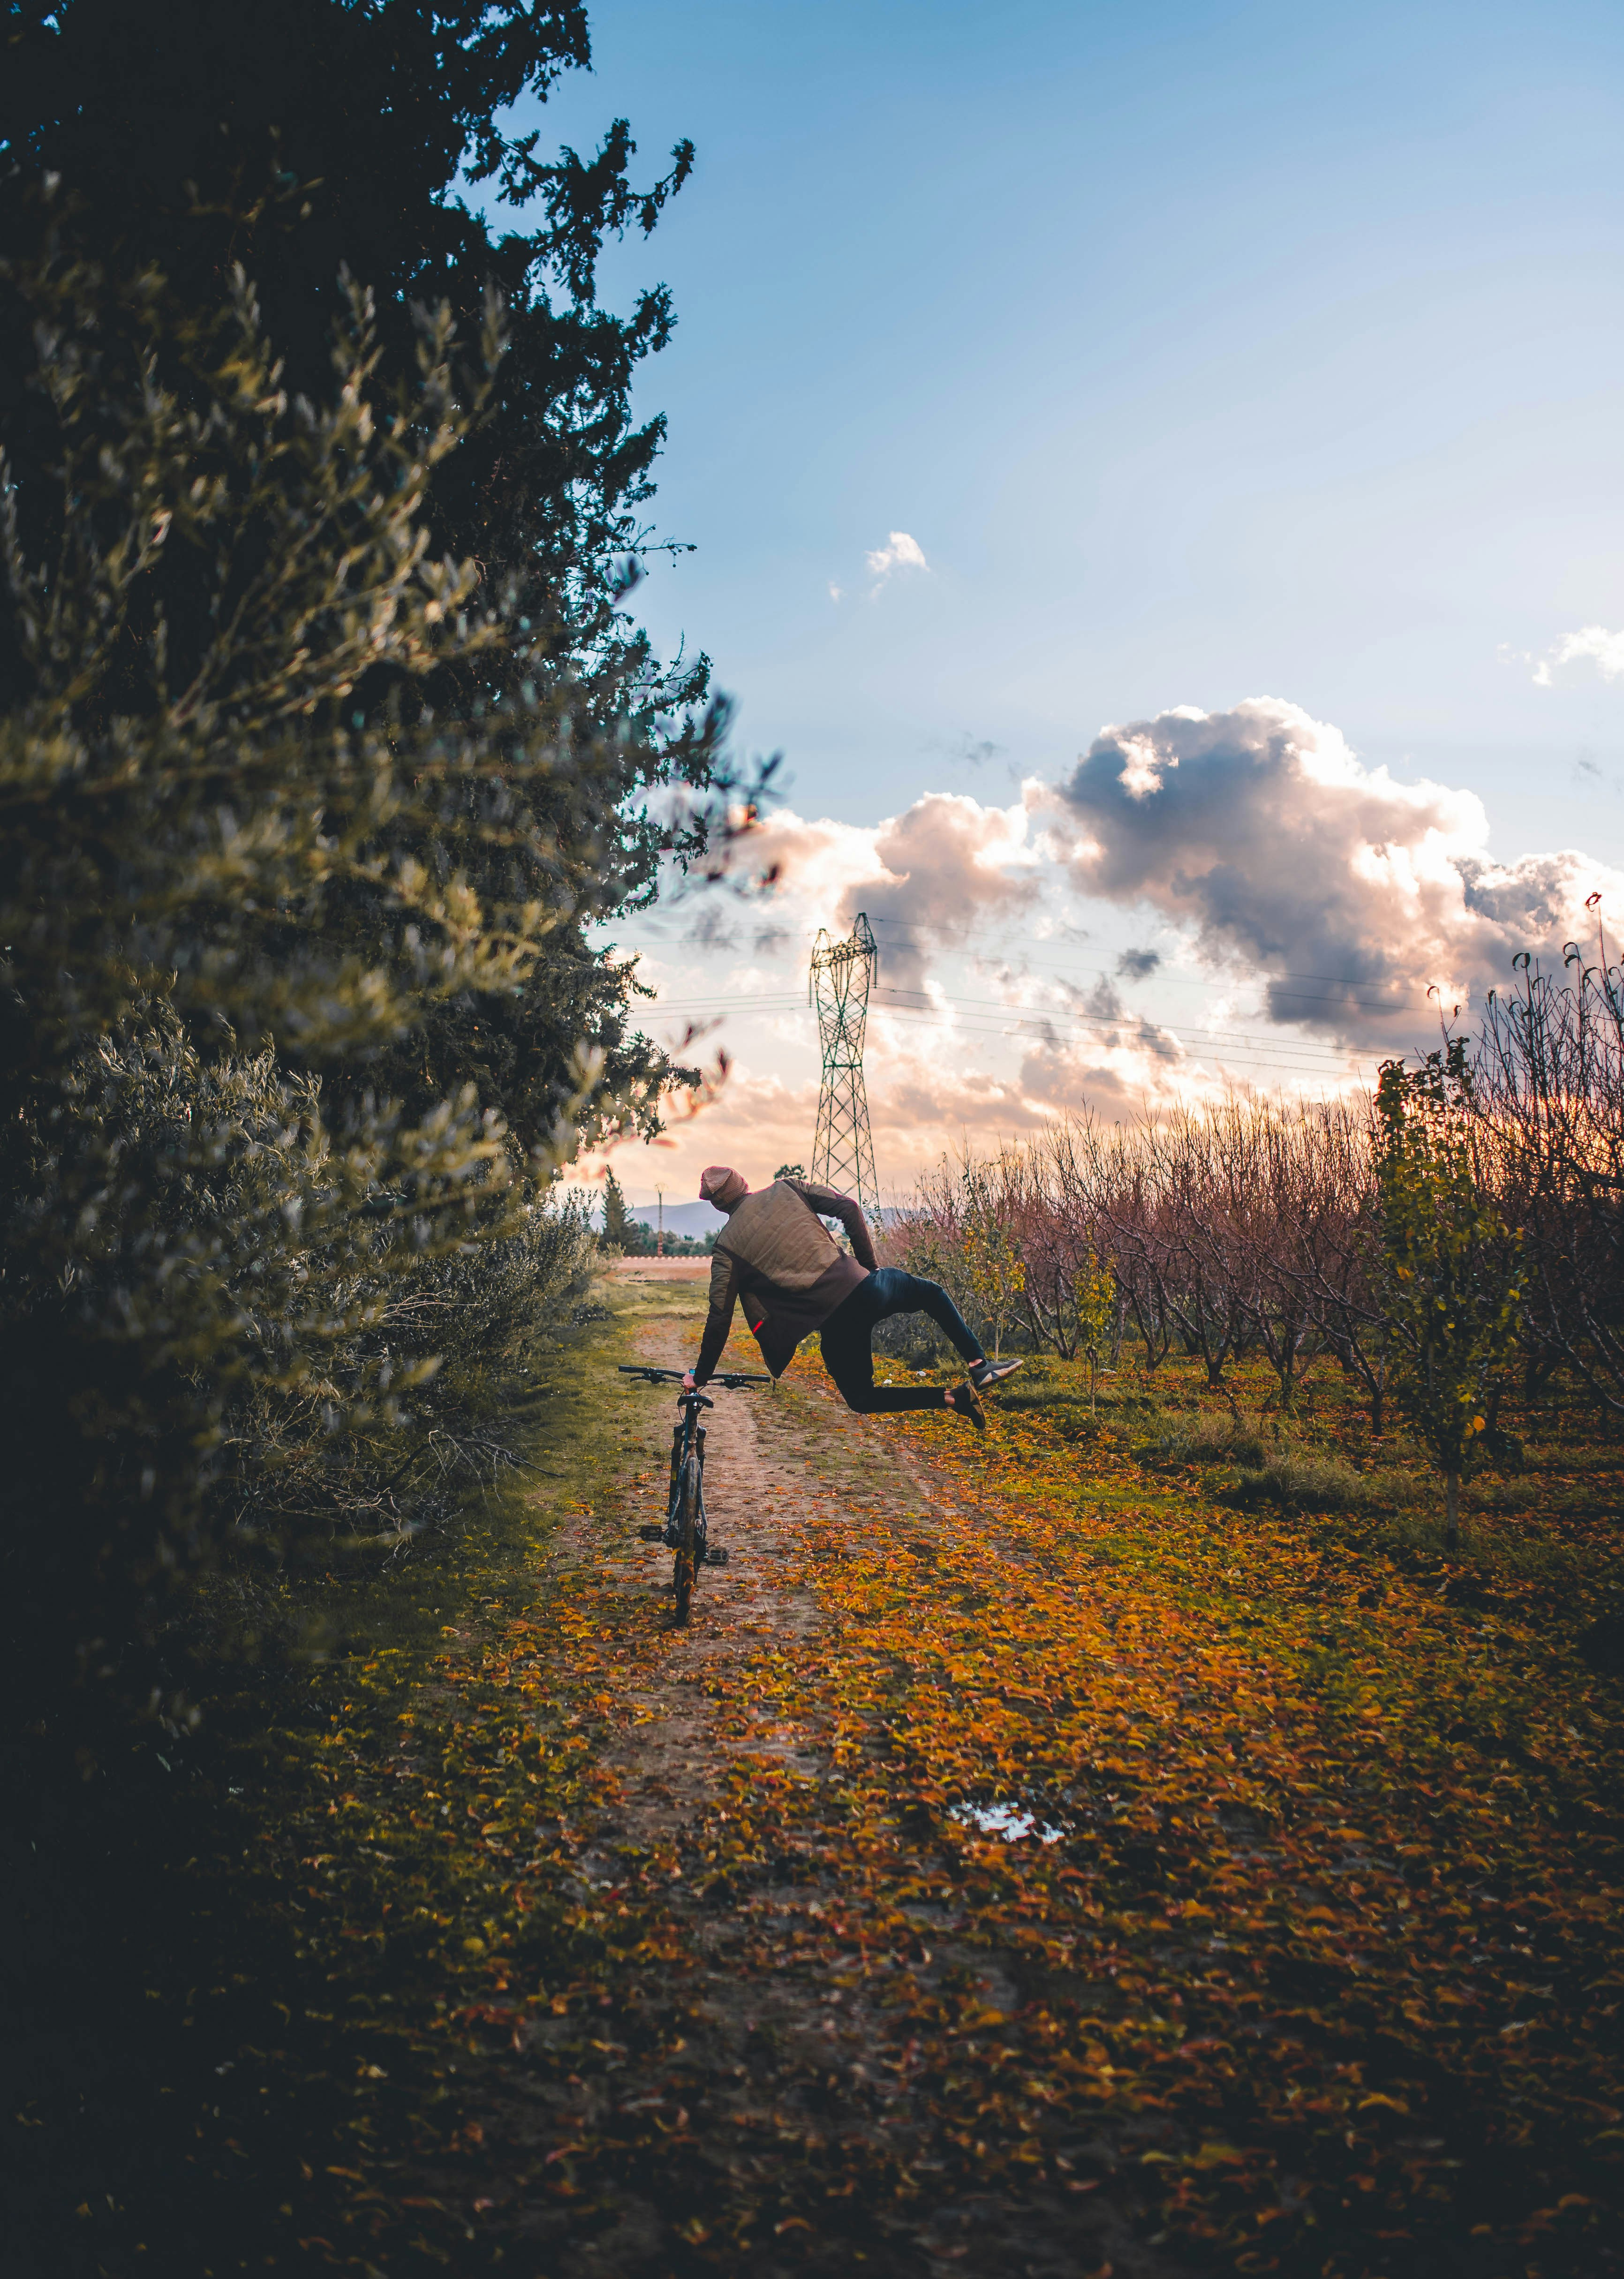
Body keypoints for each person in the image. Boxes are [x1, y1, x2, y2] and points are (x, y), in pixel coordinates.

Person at [683, 1165, 1020, 1427]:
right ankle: (978, 1366)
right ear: (743, 1183)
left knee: (861, 1398)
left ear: (716, 1204)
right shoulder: (787, 1188)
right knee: (931, 1294)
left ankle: (951, 1399)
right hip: (868, 1289)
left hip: (835, 1324)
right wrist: (870, 1269)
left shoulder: (726, 1249)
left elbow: (719, 1318)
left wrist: (699, 1376)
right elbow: (848, 1208)